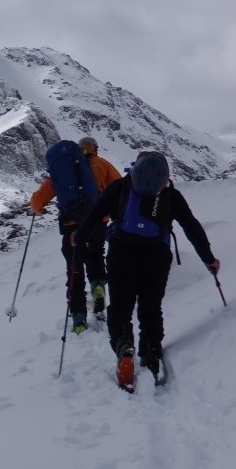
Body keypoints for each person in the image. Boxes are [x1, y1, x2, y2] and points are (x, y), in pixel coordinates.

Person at [75, 150, 220, 391]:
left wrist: (78, 239)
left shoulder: (119, 187)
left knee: (120, 306)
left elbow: (94, 216)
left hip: (121, 252)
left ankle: (124, 348)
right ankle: (151, 355)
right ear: (165, 176)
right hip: (157, 256)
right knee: (151, 308)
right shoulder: (171, 196)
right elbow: (191, 227)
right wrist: (208, 259)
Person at [31, 136, 121, 333]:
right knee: (96, 256)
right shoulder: (102, 164)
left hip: (71, 225)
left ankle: (79, 317)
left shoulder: (63, 170)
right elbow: (121, 188)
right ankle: (98, 286)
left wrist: (37, 208)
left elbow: (38, 201)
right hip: (98, 222)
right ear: (95, 148)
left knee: (74, 268)